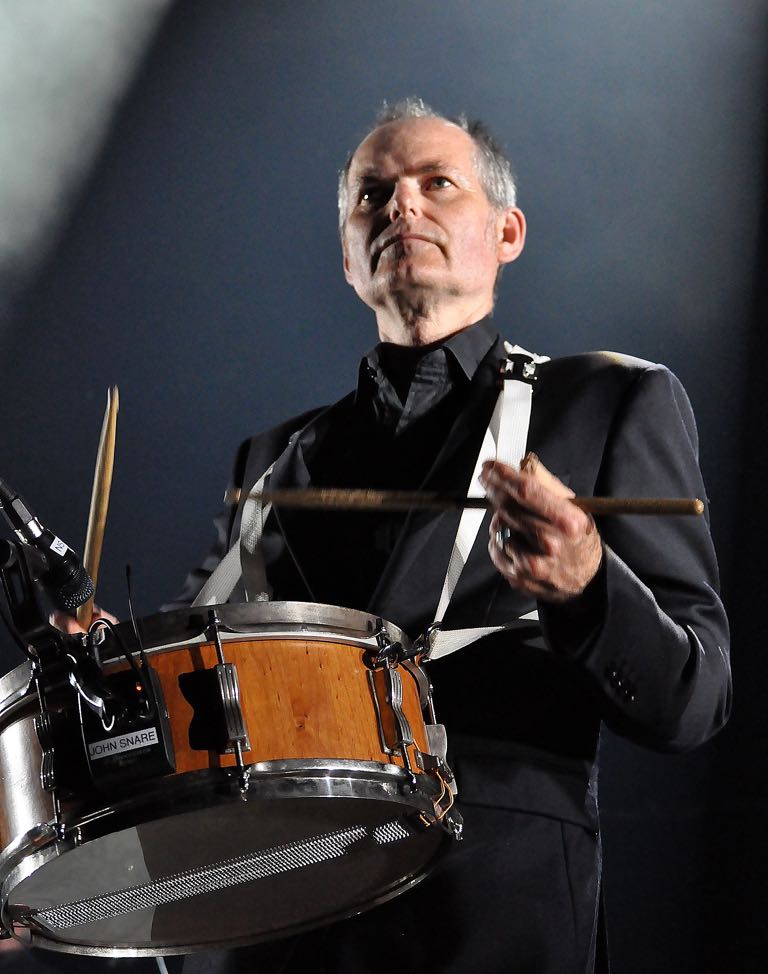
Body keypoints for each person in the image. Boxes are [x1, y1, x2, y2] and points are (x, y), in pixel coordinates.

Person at [69, 98, 733, 973]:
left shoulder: (606, 404)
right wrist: (102, 663)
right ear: (349, 260)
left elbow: (695, 699)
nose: (401, 205)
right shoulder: (274, 459)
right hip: (281, 919)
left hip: (488, 918)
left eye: (437, 184)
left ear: (506, 233)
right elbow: (193, 672)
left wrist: (589, 583)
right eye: (371, 194)